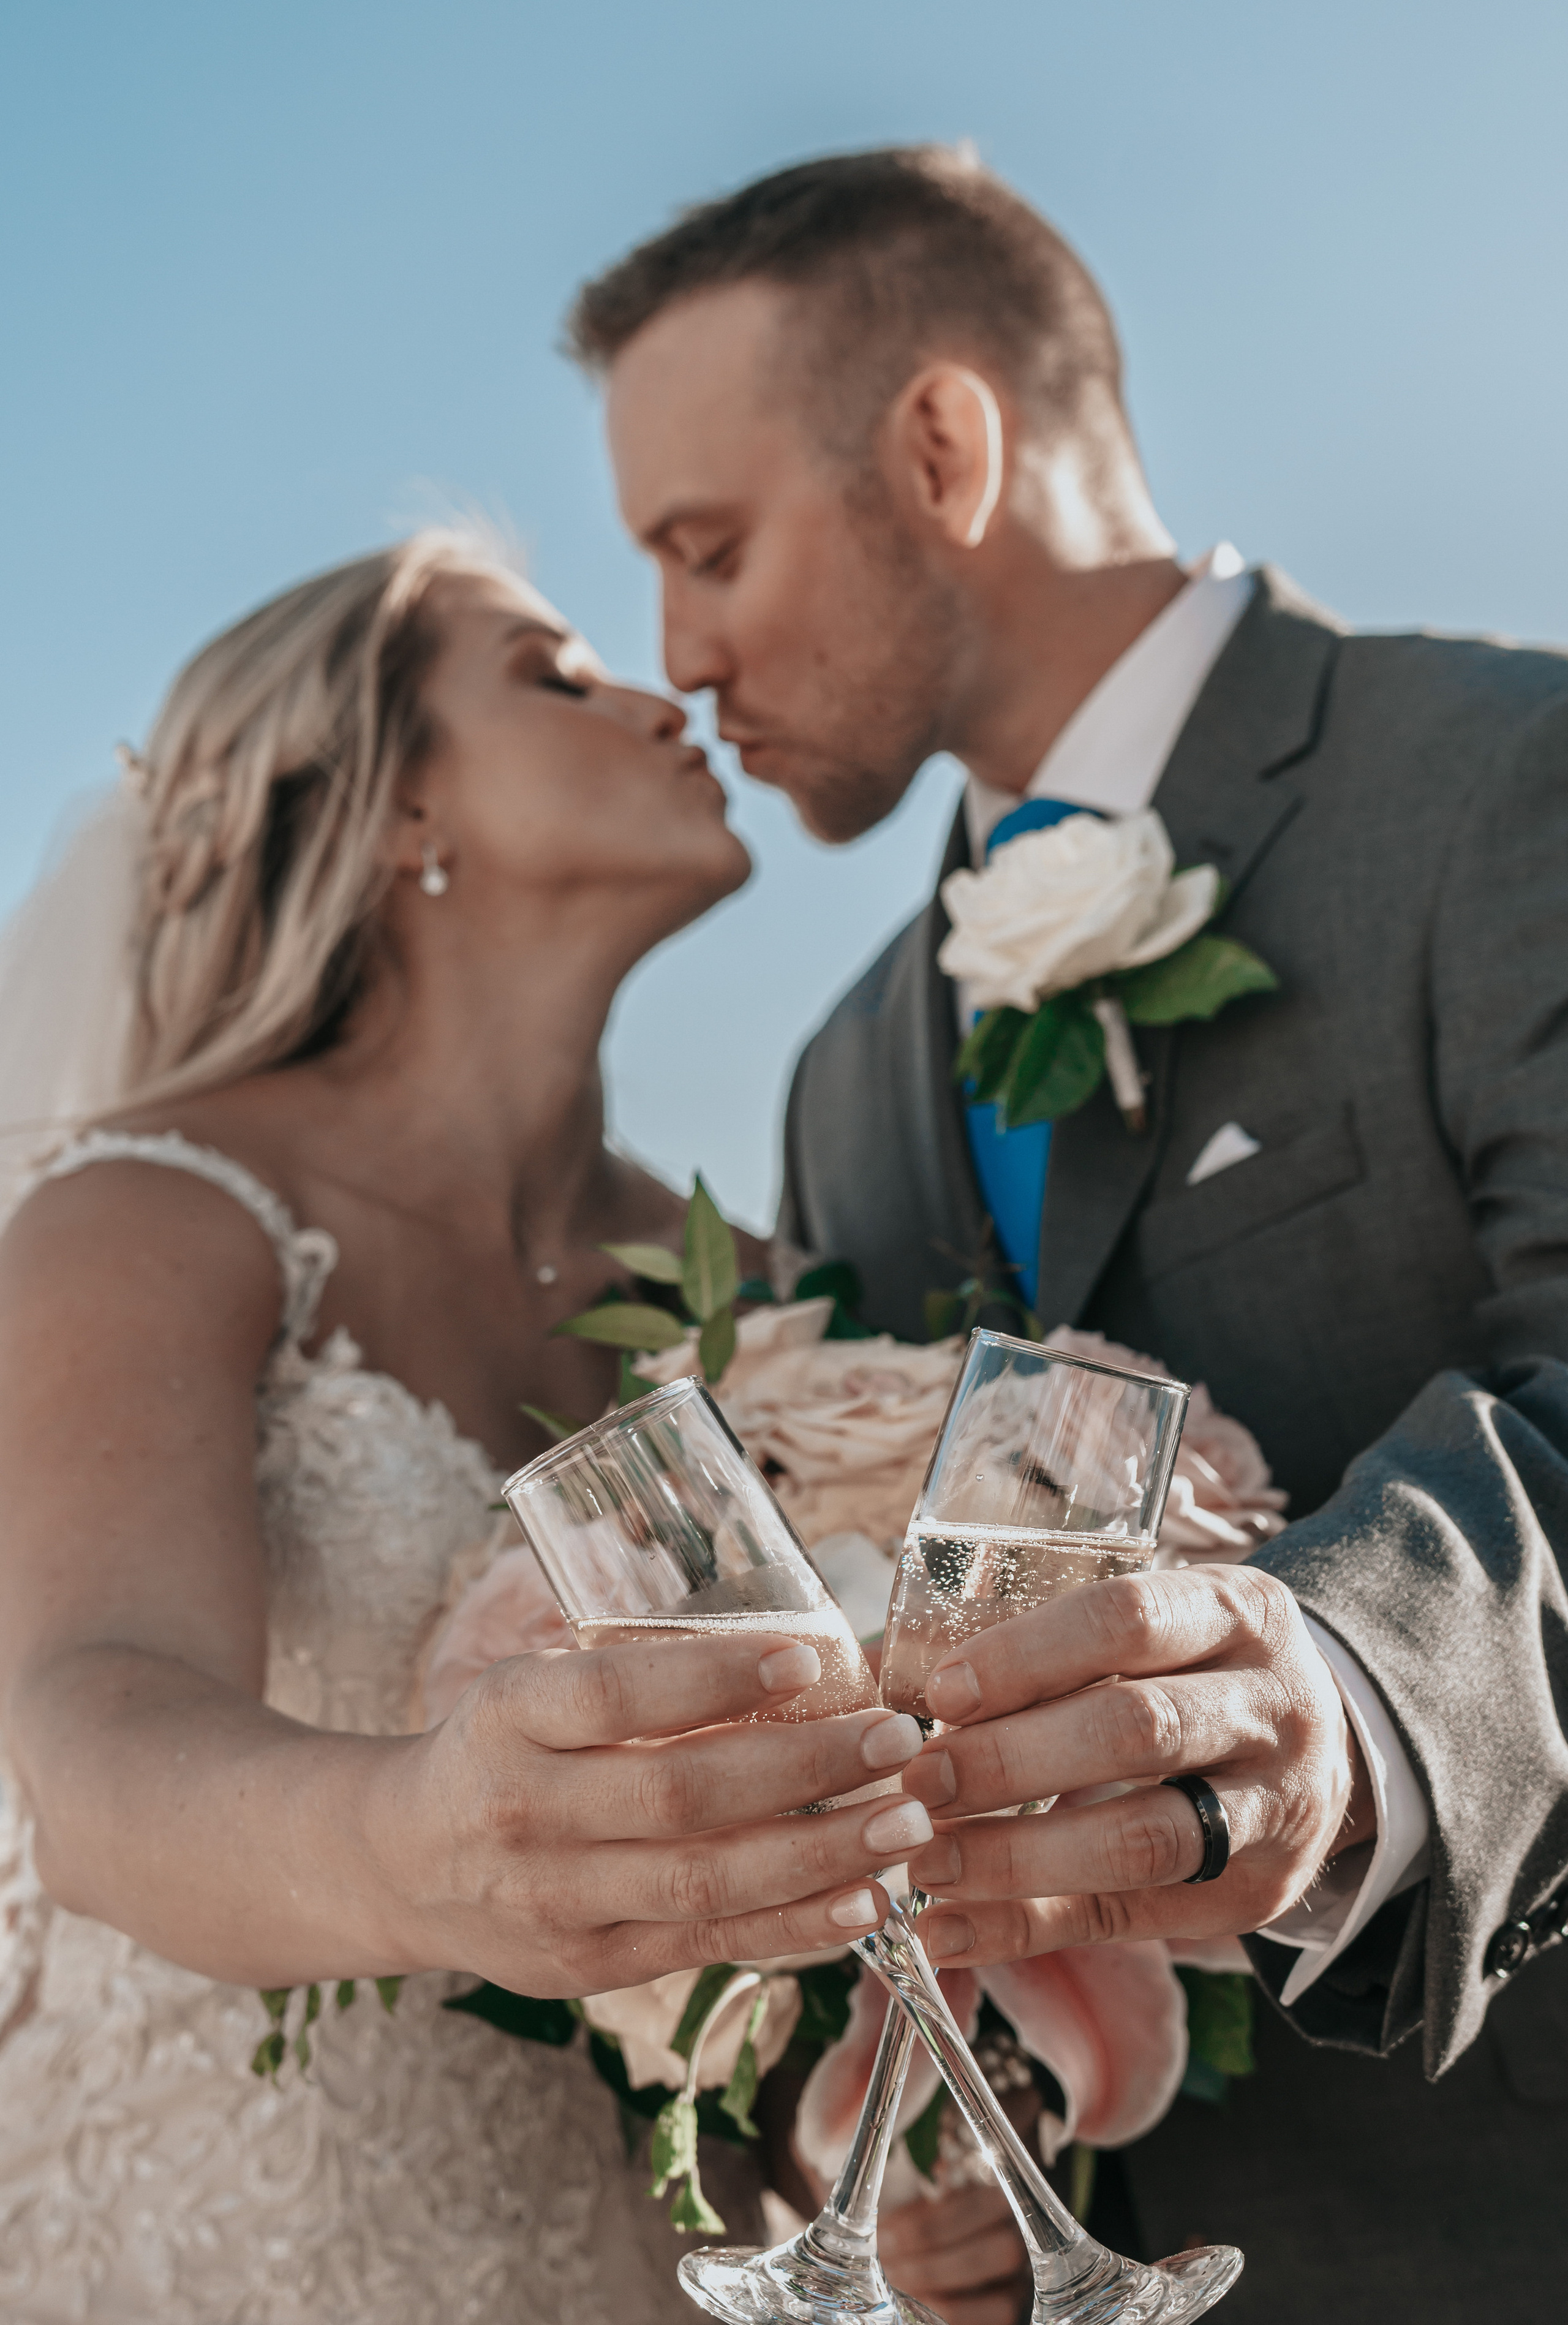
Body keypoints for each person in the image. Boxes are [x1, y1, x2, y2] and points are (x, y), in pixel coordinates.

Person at [571, 146, 1568, 2319]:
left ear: (942, 445)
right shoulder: (853, 1069)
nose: (678, 651)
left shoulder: (1511, 780)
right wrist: (941, 2124)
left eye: (708, 546)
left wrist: (1358, 1689)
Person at [0, 529, 942, 2324]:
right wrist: (421, 1848)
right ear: (396, 811)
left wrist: (864, 2165)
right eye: (555, 673)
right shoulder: (150, 1214)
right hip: (223, 2233)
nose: (666, 694)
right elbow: (92, 1723)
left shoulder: (772, 1290)